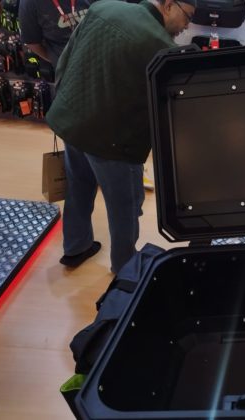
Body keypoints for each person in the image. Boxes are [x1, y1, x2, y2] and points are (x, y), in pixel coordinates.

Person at [46, 0, 197, 273]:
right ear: (169, 5)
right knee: (124, 208)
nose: (186, 26)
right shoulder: (161, 47)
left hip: (72, 120)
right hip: (113, 142)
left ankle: (75, 248)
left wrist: (65, 104)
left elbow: (65, 60)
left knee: (78, 187)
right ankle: (124, 266)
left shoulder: (102, 8)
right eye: (187, 17)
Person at [18, 0, 96, 70]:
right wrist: (57, 59)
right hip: (68, 71)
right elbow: (32, 42)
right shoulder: (29, 2)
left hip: (98, 59)